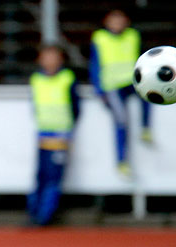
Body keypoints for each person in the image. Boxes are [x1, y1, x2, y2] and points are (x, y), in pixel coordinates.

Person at [89, 9, 151, 178]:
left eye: (120, 18)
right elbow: (94, 64)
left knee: (150, 92)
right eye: (113, 19)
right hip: (112, 86)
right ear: (106, 21)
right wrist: (98, 88)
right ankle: (122, 161)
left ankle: (146, 127)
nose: (117, 22)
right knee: (121, 120)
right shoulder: (100, 38)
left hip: (131, 82)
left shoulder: (133, 36)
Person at [27, 44, 80, 226]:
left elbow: (75, 108)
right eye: (46, 56)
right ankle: (33, 212)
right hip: (42, 135)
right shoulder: (36, 79)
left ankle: (44, 216)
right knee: (40, 176)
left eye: (53, 56)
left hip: (60, 137)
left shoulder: (67, 78)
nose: (49, 61)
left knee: (53, 178)